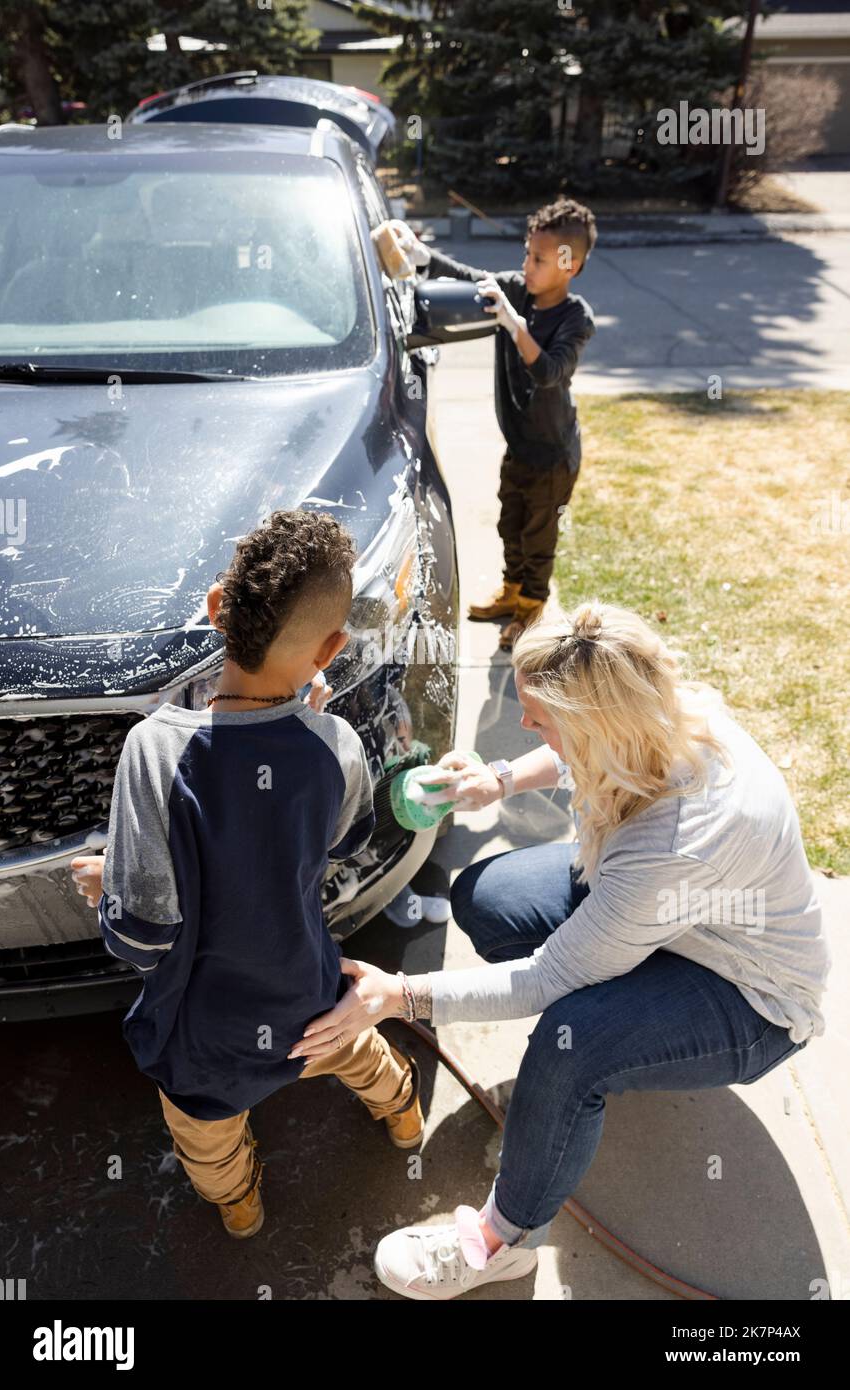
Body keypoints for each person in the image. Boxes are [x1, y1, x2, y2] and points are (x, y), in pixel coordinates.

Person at [289, 599, 832, 1299]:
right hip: (672, 924)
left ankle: (505, 1239)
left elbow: (547, 978)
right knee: (485, 898)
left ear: (593, 727)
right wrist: (500, 780)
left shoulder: (675, 844)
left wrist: (401, 996)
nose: (523, 725)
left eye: (539, 718)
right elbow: (574, 750)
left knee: (567, 1044)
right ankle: (613, 1047)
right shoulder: (658, 710)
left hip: (749, 996)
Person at [70, 509, 424, 1240]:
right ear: (330, 647)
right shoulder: (335, 743)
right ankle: (403, 1117)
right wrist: (313, 729)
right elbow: (347, 839)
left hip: (207, 1034)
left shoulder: (153, 752)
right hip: (308, 996)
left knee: (206, 1135)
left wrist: (107, 889)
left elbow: (142, 938)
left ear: (214, 609)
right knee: (359, 1053)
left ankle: (239, 1206)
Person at [392, 198, 597, 650]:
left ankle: (531, 613)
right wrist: (426, 259)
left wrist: (513, 323)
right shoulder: (518, 291)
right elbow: (472, 282)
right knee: (510, 524)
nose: (527, 265)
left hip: (553, 455)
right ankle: (511, 593)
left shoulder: (575, 318)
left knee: (538, 537)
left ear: (570, 264)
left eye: (538, 259)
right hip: (520, 447)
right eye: (527, 253)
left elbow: (548, 373)